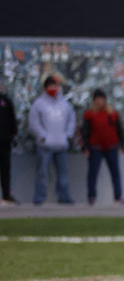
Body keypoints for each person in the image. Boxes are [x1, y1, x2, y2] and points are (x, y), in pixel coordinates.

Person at [28, 76, 76, 205]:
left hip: (61, 144)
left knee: (63, 174)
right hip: (45, 145)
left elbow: (71, 120)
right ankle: (39, 198)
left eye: (55, 86)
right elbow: (34, 122)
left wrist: (68, 136)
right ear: (45, 88)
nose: (53, 88)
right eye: (50, 86)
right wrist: (43, 136)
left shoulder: (65, 104)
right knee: (42, 172)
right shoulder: (39, 104)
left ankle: (64, 196)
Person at [81, 88, 124, 205]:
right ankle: (91, 196)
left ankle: (118, 196)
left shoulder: (112, 114)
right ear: (94, 100)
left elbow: (119, 130)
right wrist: (85, 147)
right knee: (93, 172)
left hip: (111, 147)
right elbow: (85, 132)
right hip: (96, 147)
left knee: (115, 172)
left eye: (102, 99)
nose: (100, 101)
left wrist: (123, 144)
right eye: (98, 99)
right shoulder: (89, 115)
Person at [0, 86, 17, 205]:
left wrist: (13, 134)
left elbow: (12, 120)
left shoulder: (6, 101)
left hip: (5, 141)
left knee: (5, 168)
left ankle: (6, 195)